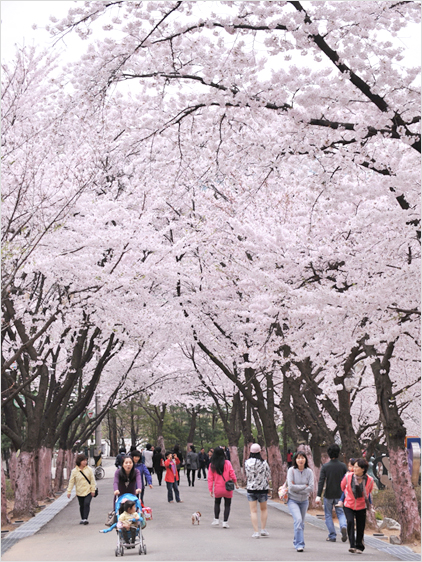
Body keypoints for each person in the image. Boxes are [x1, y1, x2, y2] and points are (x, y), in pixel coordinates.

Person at [315, 444, 348, 543]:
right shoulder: (343, 466)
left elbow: (321, 481)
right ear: (338, 453)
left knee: (328, 515)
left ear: (329, 454)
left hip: (328, 494)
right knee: (340, 513)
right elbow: (347, 480)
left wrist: (318, 495)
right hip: (340, 494)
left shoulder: (325, 467)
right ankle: (343, 526)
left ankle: (332, 535)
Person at [341, 458, 374, 554]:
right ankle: (352, 545)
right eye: (354, 467)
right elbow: (342, 486)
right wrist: (347, 495)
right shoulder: (348, 477)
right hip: (349, 504)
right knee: (350, 522)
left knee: (360, 526)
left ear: (363, 469)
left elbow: (369, 491)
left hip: (361, 505)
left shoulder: (370, 480)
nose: (354, 469)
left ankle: (359, 545)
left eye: (357, 467)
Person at [287, 451, 314, 552]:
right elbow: (291, 487)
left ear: (306, 459)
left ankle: (296, 540)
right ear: (295, 460)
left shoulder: (309, 472)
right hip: (293, 500)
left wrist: (299, 488)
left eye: (302, 458)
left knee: (301, 523)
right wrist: (304, 487)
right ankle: (299, 544)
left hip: (304, 501)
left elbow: (311, 488)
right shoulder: (291, 470)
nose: (300, 460)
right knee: (298, 520)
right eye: (298, 458)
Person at [244, 443, 271, 538]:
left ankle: (256, 532)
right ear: (260, 452)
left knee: (253, 511)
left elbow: (246, 474)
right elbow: (268, 474)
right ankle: (263, 529)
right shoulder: (264, 463)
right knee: (263, 509)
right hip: (262, 489)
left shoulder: (246, 462)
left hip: (251, 488)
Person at [208, 446, 239, 528]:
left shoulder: (212, 465)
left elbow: (210, 478)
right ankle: (225, 522)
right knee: (227, 505)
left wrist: (210, 489)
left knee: (217, 503)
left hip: (218, 488)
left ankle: (216, 519)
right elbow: (232, 474)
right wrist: (236, 483)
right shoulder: (227, 463)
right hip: (227, 488)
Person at [66, 453, 96, 525]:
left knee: (86, 503)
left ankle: (85, 518)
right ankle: (82, 518)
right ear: (79, 461)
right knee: (81, 505)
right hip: (79, 491)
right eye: (83, 460)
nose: (85, 462)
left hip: (88, 490)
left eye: (86, 460)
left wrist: (93, 490)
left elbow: (92, 480)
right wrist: (69, 491)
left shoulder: (89, 470)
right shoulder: (74, 471)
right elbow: (71, 482)